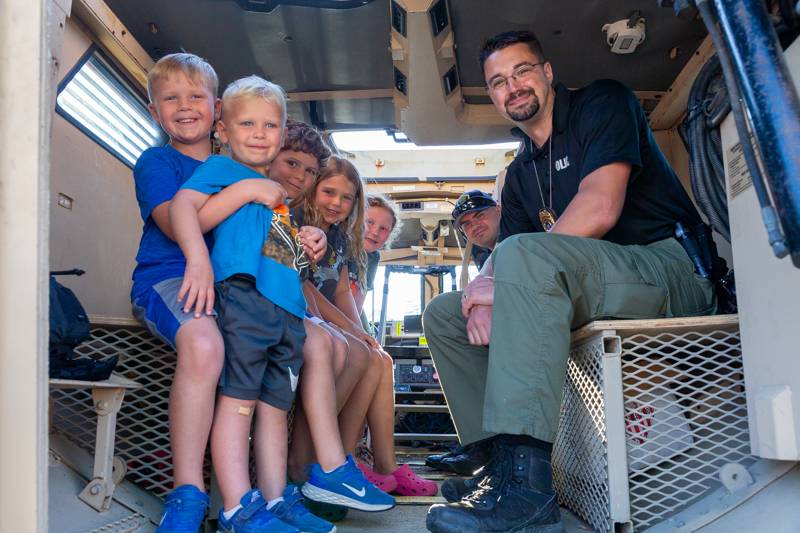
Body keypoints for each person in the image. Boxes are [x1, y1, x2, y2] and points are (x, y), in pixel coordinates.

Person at [423, 30, 716, 533]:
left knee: (523, 260)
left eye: (522, 71)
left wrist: (506, 279)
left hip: (668, 268)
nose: (512, 87)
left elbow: (600, 208)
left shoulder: (602, 103)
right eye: (498, 82)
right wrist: (478, 296)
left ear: (548, 72)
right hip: (594, 281)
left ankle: (528, 493)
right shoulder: (519, 175)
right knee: (445, 315)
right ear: (491, 95)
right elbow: (502, 259)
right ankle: (494, 467)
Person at [171, 75, 389, 533]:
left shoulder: (280, 200)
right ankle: (236, 506)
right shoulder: (225, 172)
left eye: (270, 125)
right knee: (238, 404)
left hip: (286, 311)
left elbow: (280, 255)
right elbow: (185, 210)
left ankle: (274, 500)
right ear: (223, 131)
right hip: (245, 300)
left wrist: (308, 241)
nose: (258, 133)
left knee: (273, 408)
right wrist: (198, 259)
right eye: (247, 123)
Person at [131, 53, 308, 533]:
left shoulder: (233, 164)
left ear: (216, 113)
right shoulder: (159, 162)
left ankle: (280, 489)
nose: (185, 107)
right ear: (154, 112)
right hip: (171, 276)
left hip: (234, 289)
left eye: (196, 97)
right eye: (170, 98)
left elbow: (267, 242)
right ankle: (188, 490)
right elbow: (174, 221)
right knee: (206, 345)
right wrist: (250, 191)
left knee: (309, 351)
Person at [297, 162, 436, 497]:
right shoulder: (300, 226)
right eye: (328, 192)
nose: (335, 202)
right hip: (309, 318)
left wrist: (362, 333)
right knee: (362, 354)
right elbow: (310, 292)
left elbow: (343, 293)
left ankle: (377, 463)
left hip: (328, 320)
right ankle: (335, 461)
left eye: (345, 197)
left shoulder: (341, 241)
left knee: (380, 358)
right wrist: (353, 331)